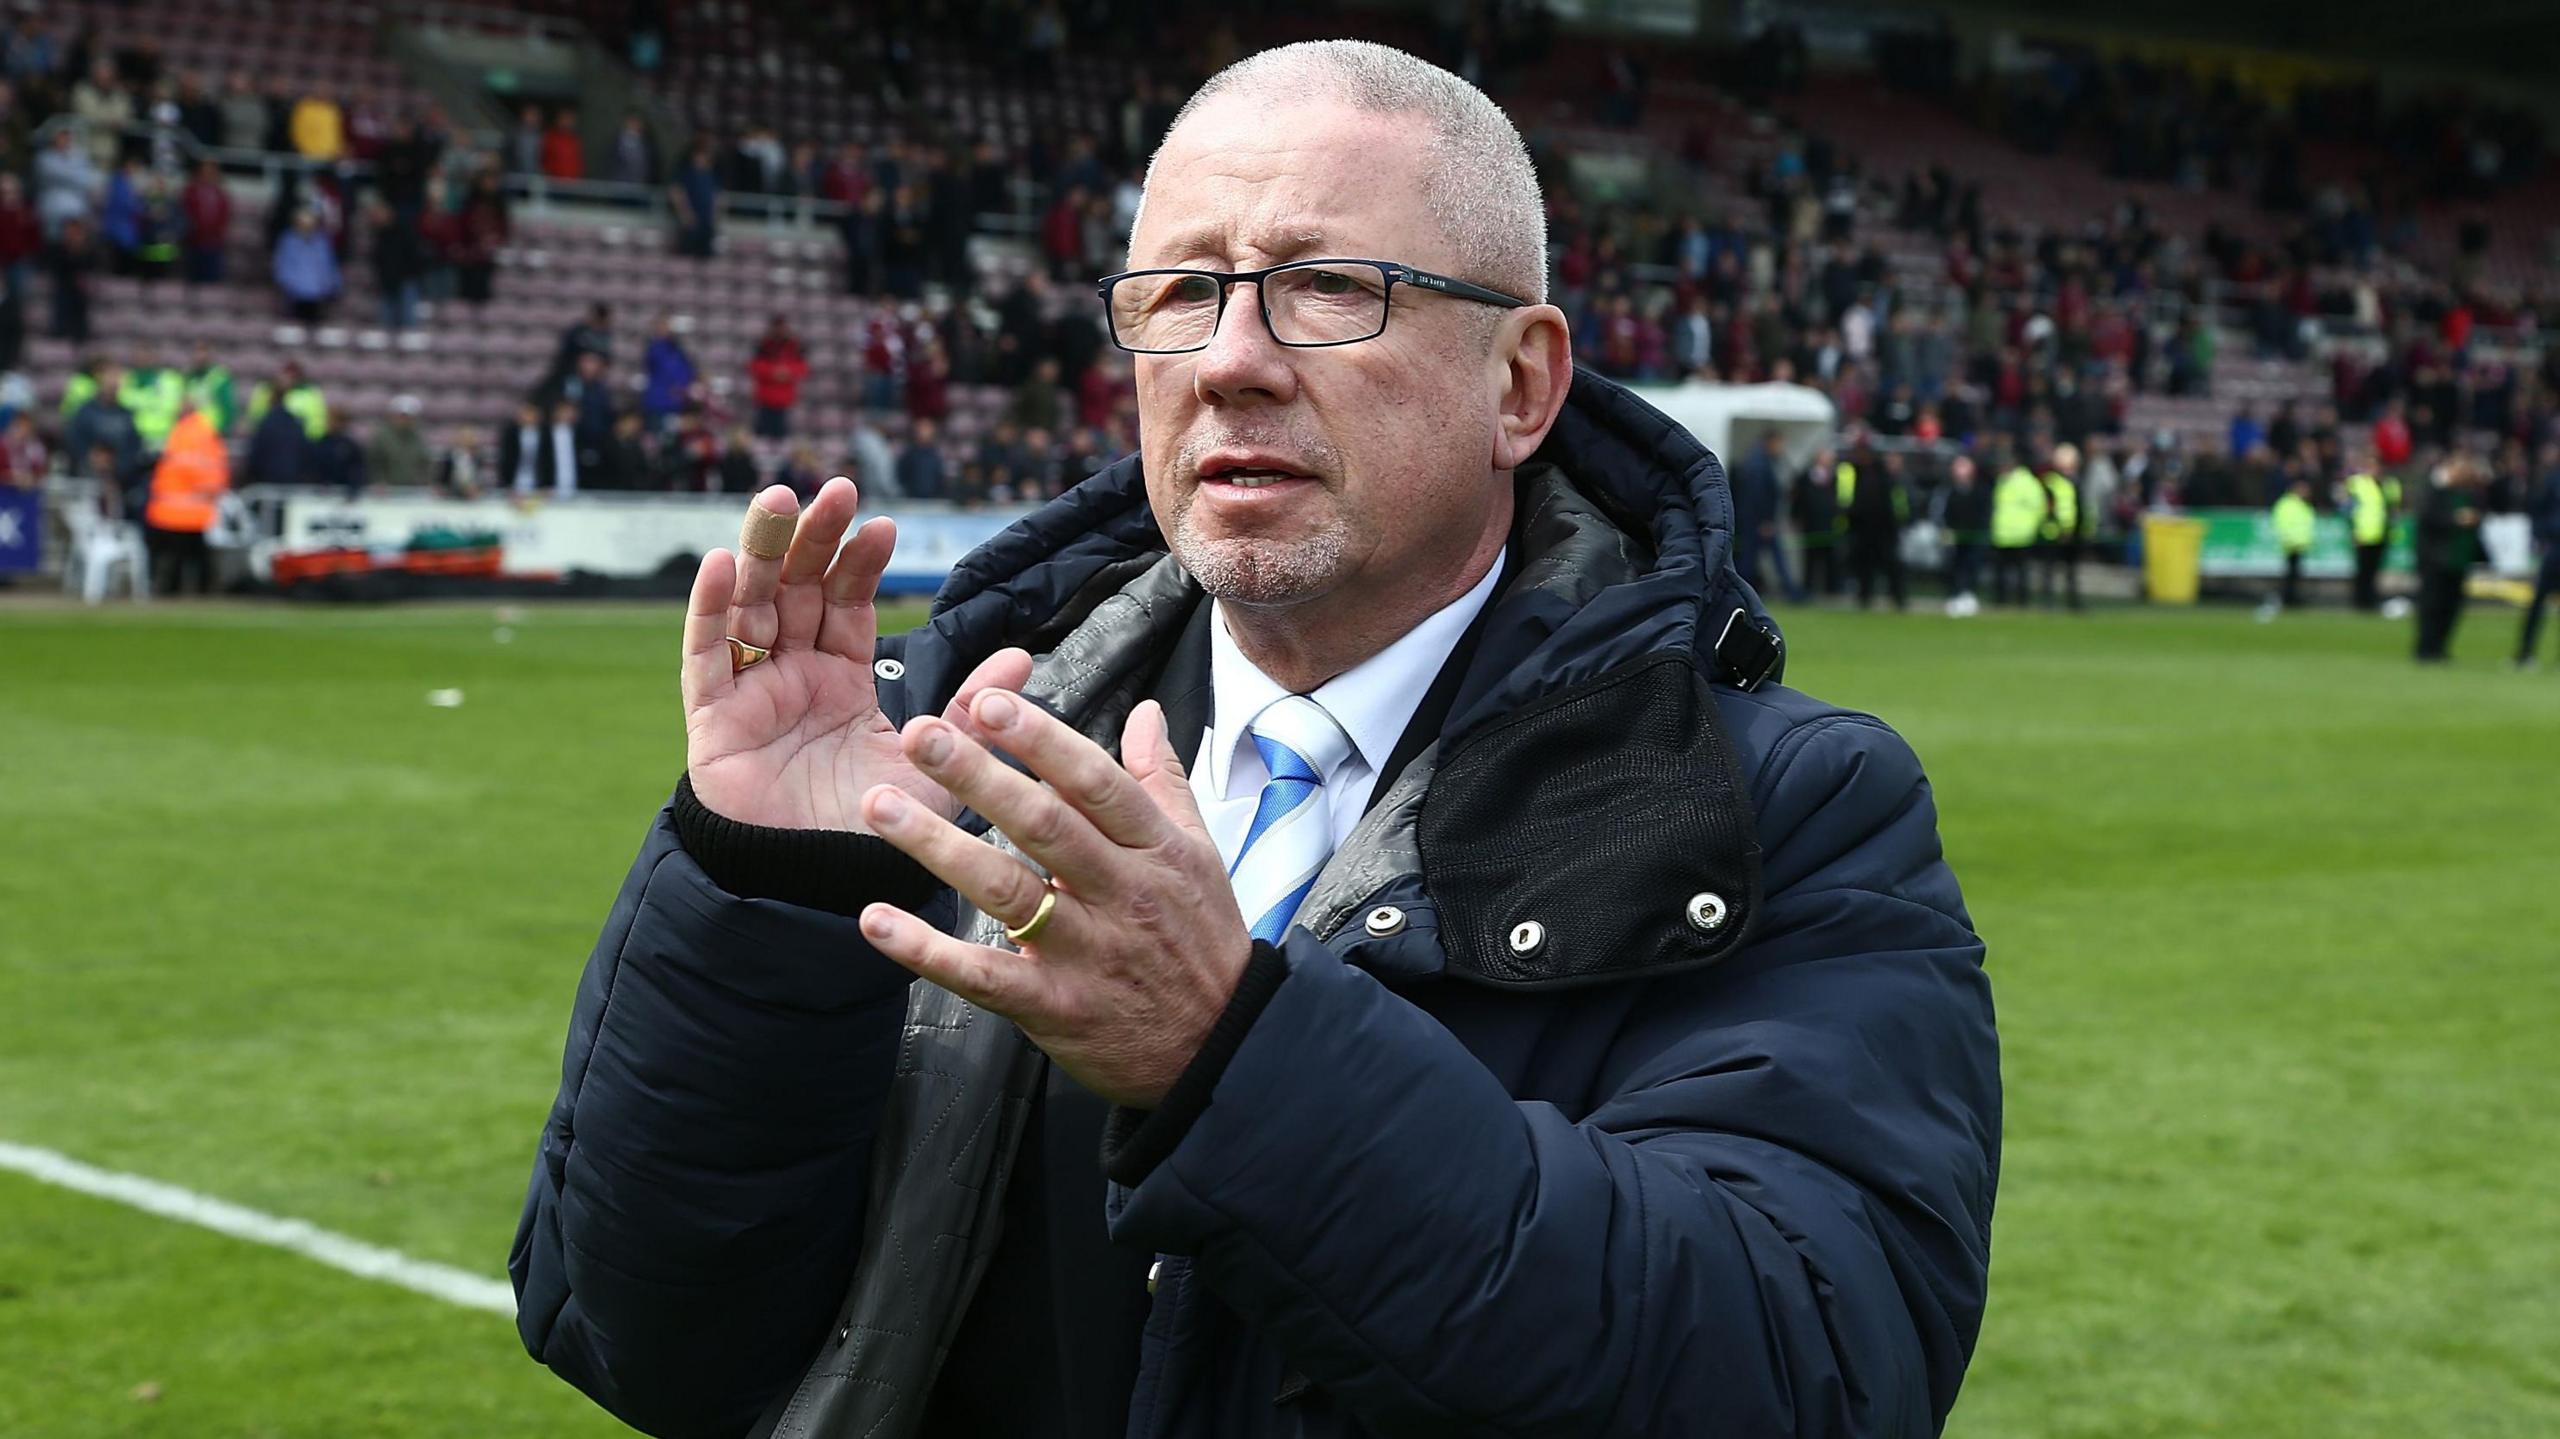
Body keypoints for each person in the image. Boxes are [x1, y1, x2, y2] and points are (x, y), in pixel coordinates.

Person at [511, 39, 1995, 1439]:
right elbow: (647, 1339)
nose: (1230, 359)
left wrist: (1234, 1055)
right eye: (1180, 293)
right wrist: (766, 884)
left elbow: (1806, 1357)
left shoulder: (1777, 805)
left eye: (1329, 286)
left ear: (1522, 381)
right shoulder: (953, 747)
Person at [142, 401, 227, 594]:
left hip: (177, 507)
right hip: (195, 506)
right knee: (195, 554)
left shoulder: (185, 433)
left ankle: (174, 590)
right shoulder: (206, 432)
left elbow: (182, 466)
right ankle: (204, 590)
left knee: (176, 555)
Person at [2412, 456, 2484, 664]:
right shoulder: (2433, 491)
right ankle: (2426, 648)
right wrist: (2456, 519)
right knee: (2432, 604)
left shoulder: (2467, 494)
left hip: (2458, 560)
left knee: (2452, 606)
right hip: (2435, 559)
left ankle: (2441, 647)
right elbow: (2427, 519)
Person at [1730, 430, 1801, 602]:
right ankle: (1791, 593)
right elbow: (1758, 496)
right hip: (1758, 521)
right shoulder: (1760, 465)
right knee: (1756, 560)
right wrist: (1765, 521)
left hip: (1754, 520)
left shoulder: (1757, 461)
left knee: (1751, 559)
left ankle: (1740, 593)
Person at [1842, 445, 1908, 611]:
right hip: (1863, 530)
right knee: (1865, 567)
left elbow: (1894, 504)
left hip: (1884, 530)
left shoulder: (1883, 476)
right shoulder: (1856, 474)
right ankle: (1865, 597)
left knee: (1891, 565)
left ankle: (1898, 597)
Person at [2512, 445, 2560, 669]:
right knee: (2538, 603)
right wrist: (2542, 535)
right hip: (2555, 550)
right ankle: (2524, 653)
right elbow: (2538, 509)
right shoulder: (2553, 479)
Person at [1990, 450, 2044, 607]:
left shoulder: (2027, 482)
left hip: (2021, 534)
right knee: (2001, 572)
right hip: (2002, 534)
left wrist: (2030, 527)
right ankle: (2002, 602)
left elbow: (2037, 507)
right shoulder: (2002, 481)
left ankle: (2022, 602)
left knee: (2021, 572)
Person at [1937, 452, 1990, 607]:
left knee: (1972, 566)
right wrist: (1946, 530)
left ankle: (1968, 595)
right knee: (1954, 566)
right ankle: (1955, 595)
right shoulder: (1947, 490)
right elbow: (1941, 513)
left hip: (1975, 536)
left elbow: (1985, 513)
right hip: (1954, 537)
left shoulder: (1981, 490)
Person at [2341, 456, 2392, 612]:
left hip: (2380, 534)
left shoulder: (2388, 485)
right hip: (2362, 535)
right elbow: (2346, 507)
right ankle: (2360, 602)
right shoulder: (2357, 484)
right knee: (2362, 571)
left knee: (2374, 571)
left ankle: (2370, 601)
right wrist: (2353, 530)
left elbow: (2391, 510)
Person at [1790, 446, 1842, 597]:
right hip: (1811, 524)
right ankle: (1808, 589)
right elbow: (1798, 499)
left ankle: (1830, 589)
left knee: (1830, 558)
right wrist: (1796, 518)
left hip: (1828, 524)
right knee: (1810, 559)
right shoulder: (1806, 476)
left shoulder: (1834, 476)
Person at [748, 316, 810, 440]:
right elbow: (754, 366)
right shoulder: (763, 345)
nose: (779, 330)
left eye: (782, 327)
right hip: (765, 399)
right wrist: (773, 372)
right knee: (761, 437)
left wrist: (787, 372)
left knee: (782, 438)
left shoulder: (795, 346)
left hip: (785, 401)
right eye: (777, 327)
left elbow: (803, 368)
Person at [273, 209, 340, 321]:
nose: (306, 227)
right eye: (303, 223)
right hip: (295, 294)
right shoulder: (288, 241)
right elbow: (282, 268)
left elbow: (329, 267)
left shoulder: (322, 242)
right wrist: (291, 286)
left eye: (310, 224)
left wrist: (329, 286)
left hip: (318, 295)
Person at [2038, 442, 2083, 610]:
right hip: (2055, 533)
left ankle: (2073, 603)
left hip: (2073, 533)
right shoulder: (2052, 482)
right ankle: (2048, 603)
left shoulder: (2076, 482)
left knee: (2070, 571)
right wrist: (2060, 529)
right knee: (2050, 570)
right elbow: (2048, 508)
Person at [641, 315, 696, 434]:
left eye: (667, 326)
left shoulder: (677, 351)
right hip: (657, 405)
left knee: (672, 441)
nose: (666, 329)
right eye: (662, 326)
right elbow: (651, 360)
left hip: (676, 406)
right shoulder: (655, 347)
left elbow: (688, 373)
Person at [2271, 477, 2316, 610]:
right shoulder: (2287, 504)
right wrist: (2289, 539)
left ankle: (2290, 598)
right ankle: (2287, 598)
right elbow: (2282, 524)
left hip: (2300, 544)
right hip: (2291, 544)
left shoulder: (2302, 504)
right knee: (2290, 574)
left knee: (2294, 574)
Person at [367, 397, 432, 489]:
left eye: (408, 417)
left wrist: (428, 483)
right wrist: (378, 481)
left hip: (413, 488)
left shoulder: (420, 437)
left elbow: (425, 463)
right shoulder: (381, 437)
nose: (404, 420)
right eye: (401, 416)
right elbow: (374, 462)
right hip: (387, 490)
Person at [309, 413, 368, 498]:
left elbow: (357, 470)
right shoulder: (320, 444)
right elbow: (314, 467)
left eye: (334, 421)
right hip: (323, 494)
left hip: (345, 492)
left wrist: (353, 488)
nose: (330, 424)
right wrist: (320, 482)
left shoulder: (350, 446)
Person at [894, 415, 946, 498]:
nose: (924, 431)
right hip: (911, 501)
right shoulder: (908, 455)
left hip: (933, 501)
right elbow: (901, 477)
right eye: (921, 427)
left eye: (927, 427)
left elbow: (940, 479)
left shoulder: (937, 455)